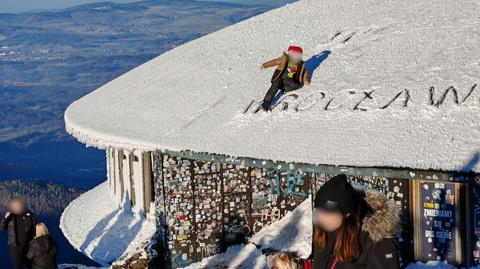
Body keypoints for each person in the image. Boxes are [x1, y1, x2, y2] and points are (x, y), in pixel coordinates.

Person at [308, 174, 400, 269]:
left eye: (327, 213)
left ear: (346, 213)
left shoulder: (376, 241)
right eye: (318, 211)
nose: (319, 218)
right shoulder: (324, 233)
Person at [260, 45, 310, 111]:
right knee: (275, 85)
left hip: (290, 82)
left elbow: (304, 73)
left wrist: (306, 80)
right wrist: (264, 65)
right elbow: (274, 62)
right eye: (294, 55)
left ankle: (284, 89)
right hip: (280, 80)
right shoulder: (284, 59)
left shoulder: (300, 64)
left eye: (297, 56)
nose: (295, 57)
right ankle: (266, 103)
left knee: (290, 83)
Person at [0, 197, 37, 269]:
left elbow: (36, 226)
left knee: (30, 265)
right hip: (15, 246)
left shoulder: (29, 214)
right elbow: (2, 228)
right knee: (18, 266)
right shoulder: (10, 216)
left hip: (28, 245)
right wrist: (5, 218)